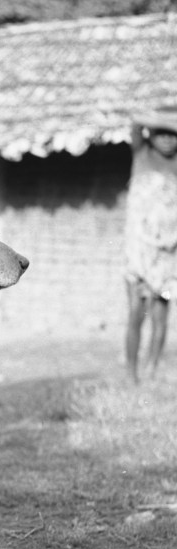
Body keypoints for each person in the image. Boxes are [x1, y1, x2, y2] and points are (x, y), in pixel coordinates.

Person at [124, 106, 177, 383]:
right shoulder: (141, 154)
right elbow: (134, 120)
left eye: (173, 135)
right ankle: (132, 373)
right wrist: (166, 118)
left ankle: (153, 368)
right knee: (136, 311)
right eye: (162, 134)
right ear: (151, 135)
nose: (168, 140)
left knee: (161, 313)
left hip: (169, 253)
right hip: (140, 252)